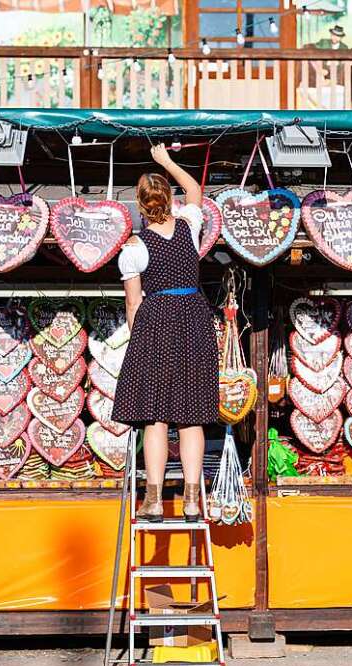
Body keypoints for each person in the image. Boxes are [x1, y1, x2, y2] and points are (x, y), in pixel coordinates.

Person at [112, 144, 219, 523]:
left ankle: (154, 501)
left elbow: (132, 305)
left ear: (140, 207)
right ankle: (192, 501)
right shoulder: (190, 226)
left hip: (155, 324)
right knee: (190, 416)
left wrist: (136, 343)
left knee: (154, 417)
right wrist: (167, 161)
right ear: (169, 200)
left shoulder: (134, 249)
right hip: (193, 320)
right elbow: (195, 191)